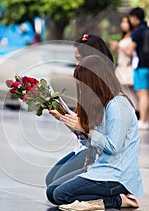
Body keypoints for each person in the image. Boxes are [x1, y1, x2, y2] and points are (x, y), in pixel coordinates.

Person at [46, 55, 143, 211]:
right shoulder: (101, 104)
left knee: (60, 195)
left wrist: (86, 129)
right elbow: (91, 144)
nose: (81, 89)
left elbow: (113, 147)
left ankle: (118, 200)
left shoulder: (118, 106)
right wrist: (73, 125)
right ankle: (109, 197)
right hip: (101, 168)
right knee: (52, 192)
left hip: (117, 175)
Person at [45, 34, 114, 187]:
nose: (77, 64)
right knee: (51, 180)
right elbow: (83, 126)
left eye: (79, 58)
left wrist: (82, 126)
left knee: (55, 188)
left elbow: (100, 131)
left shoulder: (107, 90)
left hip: (97, 150)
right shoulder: (87, 83)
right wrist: (63, 116)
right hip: (85, 143)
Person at [110, 8, 149, 130]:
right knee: (144, 93)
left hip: (139, 66)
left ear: (134, 18)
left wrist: (118, 46)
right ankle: (145, 120)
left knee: (141, 93)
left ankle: (143, 120)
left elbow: (130, 52)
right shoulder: (148, 30)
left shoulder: (137, 32)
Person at [109, 15, 139, 112]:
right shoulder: (124, 36)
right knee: (123, 91)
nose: (123, 25)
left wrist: (119, 46)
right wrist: (116, 48)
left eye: (126, 22)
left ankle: (135, 111)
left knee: (129, 92)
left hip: (127, 67)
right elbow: (120, 55)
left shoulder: (132, 37)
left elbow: (130, 54)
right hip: (121, 66)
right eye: (122, 22)